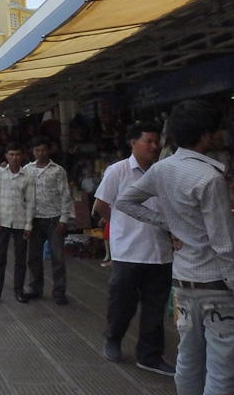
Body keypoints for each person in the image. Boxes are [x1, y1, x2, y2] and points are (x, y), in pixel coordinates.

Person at [116, 100, 234, 392]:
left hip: (182, 283)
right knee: (221, 367)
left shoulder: (161, 169)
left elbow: (125, 201)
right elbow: (224, 244)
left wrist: (168, 222)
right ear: (205, 134)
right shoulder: (210, 178)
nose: (222, 135)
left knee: (189, 359)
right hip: (216, 285)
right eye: (218, 129)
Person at [92, 121, 172, 375]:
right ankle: (113, 338)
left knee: (154, 309)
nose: (154, 146)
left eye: (156, 141)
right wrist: (120, 226)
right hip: (128, 251)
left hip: (160, 252)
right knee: (122, 303)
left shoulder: (162, 172)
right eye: (148, 141)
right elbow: (101, 205)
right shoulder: (118, 171)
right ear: (133, 143)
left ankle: (149, 355)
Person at [0, 142, 35, 304]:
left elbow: (30, 202)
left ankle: (19, 291)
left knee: (20, 259)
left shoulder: (27, 176)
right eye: (11, 154)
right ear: (6, 155)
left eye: (18, 154)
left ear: (22, 156)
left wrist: (28, 225)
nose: (14, 158)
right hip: (2, 221)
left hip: (20, 222)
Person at [23, 137, 73, 305]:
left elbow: (65, 195)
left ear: (49, 151)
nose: (40, 153)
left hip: (54, 219)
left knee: (58, 257)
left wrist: (64, 219)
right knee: (33, 257)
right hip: (34, 220)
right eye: (37, 150)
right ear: (33, 152)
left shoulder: (58, 170)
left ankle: (59, 291)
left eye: (43, 150)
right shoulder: (27, 169)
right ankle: (35, 288)